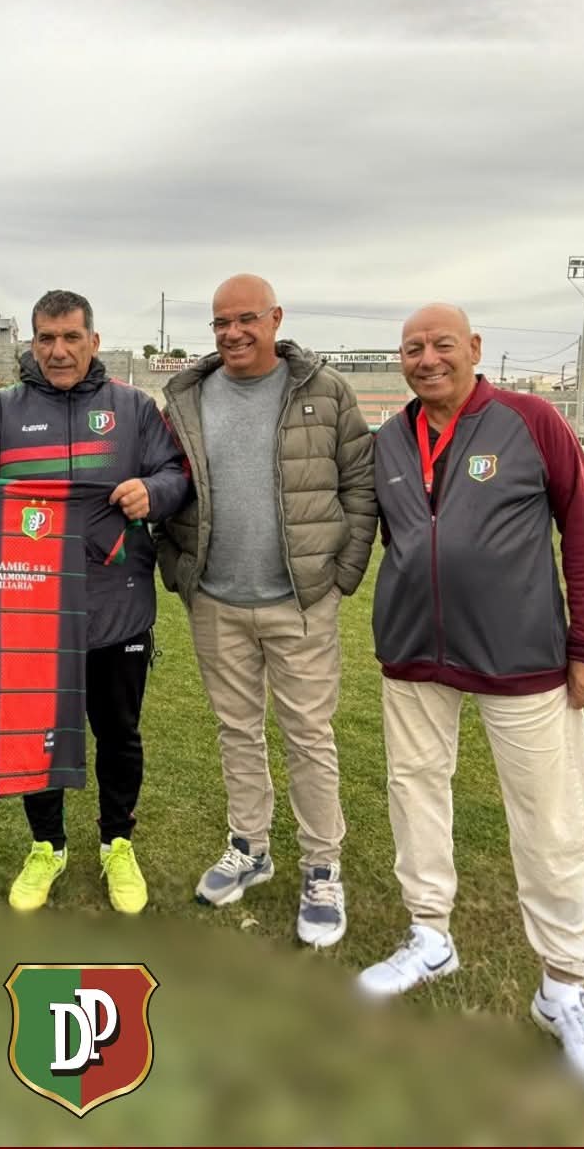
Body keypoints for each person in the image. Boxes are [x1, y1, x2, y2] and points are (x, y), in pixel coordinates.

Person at [358, 303, 584, 1085]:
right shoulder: (390, 440)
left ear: (474, 348)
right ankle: (429, 935)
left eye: (443, 344)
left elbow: (583, 529)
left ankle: (563, 985)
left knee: (553, 816)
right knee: (415, 791)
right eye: (413, 348)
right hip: (413, 652)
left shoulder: (531, 422)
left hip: (523, 658)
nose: (427, 358)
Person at [0, 288, 190, 913]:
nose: (58, 350)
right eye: (46, 338)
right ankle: (47, 845)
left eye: (71, 337)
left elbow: (176, 473)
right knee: (36, 734)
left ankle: (117, 842)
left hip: (117, 608)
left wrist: (153, 492)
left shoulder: (133, 407)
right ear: (31, 343)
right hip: (29, 612)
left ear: (94, 341)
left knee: (118, 734)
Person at [156, 274, 376, 947]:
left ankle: (322, 866)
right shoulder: (187, 396)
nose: (233, 333)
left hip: (300, 601)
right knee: (236, 731)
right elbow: (166, 482)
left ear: (276, 319)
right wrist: (178, 567)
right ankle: (249, 846)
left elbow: (359, 485)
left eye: (246, 319)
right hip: (216, 600)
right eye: (221, 322)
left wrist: (341, 574)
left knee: (309, 735)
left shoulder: (325, 390)